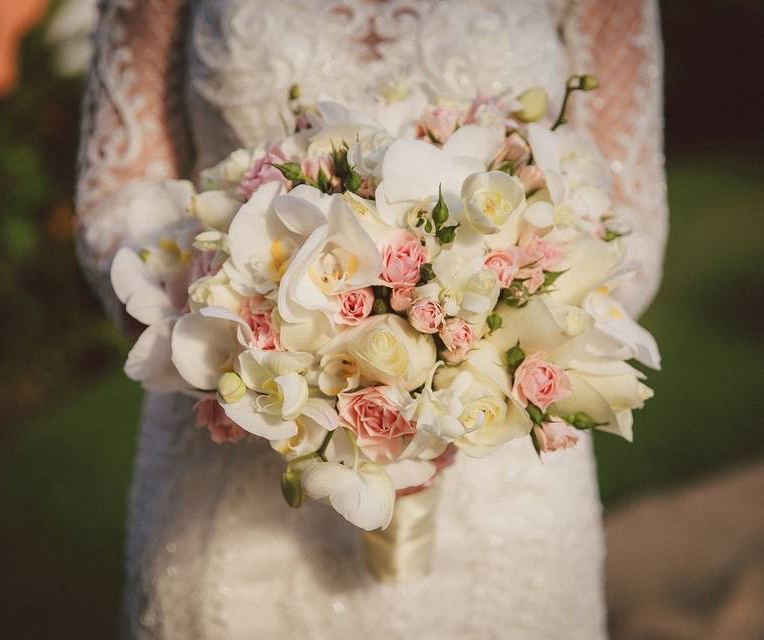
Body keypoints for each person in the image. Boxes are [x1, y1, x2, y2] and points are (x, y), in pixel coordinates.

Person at [75, 1, 668, 637]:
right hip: (237, 433)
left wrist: (471, 362)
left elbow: (627, 217)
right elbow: (117, 204)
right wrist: (266, 339)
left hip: (499, 463)